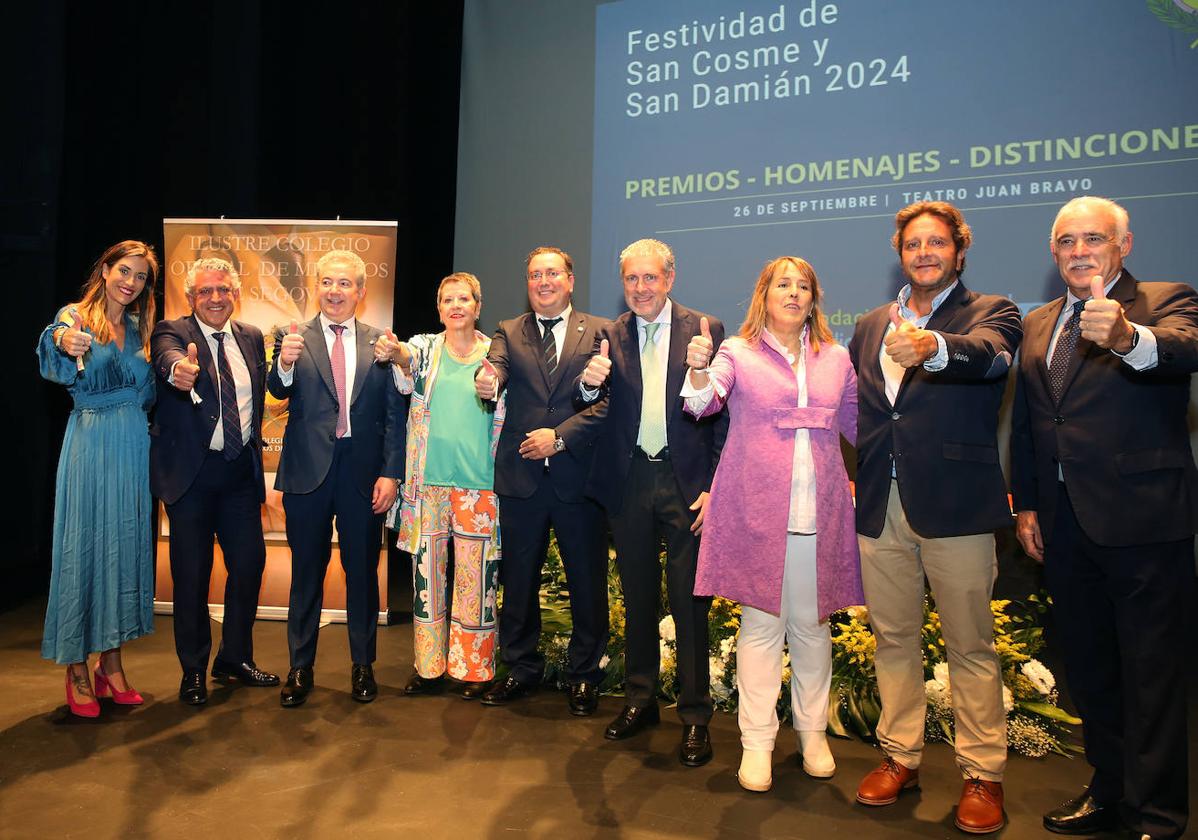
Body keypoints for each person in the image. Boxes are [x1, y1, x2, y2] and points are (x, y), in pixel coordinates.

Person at [1011, 196, 1198, 840]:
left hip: (1145, 523)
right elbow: (1036, 424)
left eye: (1094, 238)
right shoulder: (1038, 323)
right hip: (1064, 523)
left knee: (1152, 672)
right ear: (1054, 252)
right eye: (1066, 241)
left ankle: (1158, 811)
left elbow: (1183, 350)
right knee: (1089, 667)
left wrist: (1127, 338)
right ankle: (1111, 788)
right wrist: (1028, 502)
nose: (1079, 250)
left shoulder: (1167, 301)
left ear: (1126, 245)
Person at [847, 202, 1022, 834]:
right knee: (893, 639)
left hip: (956, 505)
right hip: (880, 504)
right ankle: (901, 756)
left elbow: (994, 358)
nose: (925, 253)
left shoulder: (992, 311)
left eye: (937, 243)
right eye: (914, 243)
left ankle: (982, 773)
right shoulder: (868, 325)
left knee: (970, 644)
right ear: (900, 252)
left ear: (959, 249)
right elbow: (870, 412)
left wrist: (935, 347)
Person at [682, 256, 860, 791]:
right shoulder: (736, 352)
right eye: (782, 284)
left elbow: (863, 425)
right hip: (757, 512)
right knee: (760, 631)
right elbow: (702, 401)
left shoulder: (836, 358)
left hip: (819, 512)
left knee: (813, 627)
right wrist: (696, 370)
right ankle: (756, 743)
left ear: (814, 298)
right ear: (764, 293)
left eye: (803, 286)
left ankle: (812, 734)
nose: (793, 293)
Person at [576, 238, 727, 767]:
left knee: (689, 605)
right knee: (638, 599)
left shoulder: (705, 330)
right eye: (631, 279)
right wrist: (589, 385)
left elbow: (722, 416)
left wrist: (713, 483)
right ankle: (640, 700)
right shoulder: (608, 335)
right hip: (630, 481)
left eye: (650, 278)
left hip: (686, 485)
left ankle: (694, 717)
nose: (640, 288)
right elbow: (592, 400)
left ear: (670, 277)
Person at [267, 249, 406, 707]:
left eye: (345, 283)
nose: (334, 291)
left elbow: (392, 415)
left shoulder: (381, 342)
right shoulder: (292, 338)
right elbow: (278, 390)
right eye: (327, 282)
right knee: (306, 574)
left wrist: (391, 473)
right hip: (308, 474)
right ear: (317, 288)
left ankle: (363, 666)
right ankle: (299, 668)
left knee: (362, 573)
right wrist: (284, 364)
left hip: (363, 476)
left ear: (361, 293)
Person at [474, 246, 609, 715]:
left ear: (570, 280)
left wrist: (561, 437)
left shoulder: (600, 332)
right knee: (519, 579)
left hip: (579, 477)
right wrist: (486, 381)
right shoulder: (509, 331)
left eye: (552, 273)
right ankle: (521, 668)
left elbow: (611, 403)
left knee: (586, 581)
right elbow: (495, 369)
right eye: (535, 275)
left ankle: (585, 675)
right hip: (523, 477)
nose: (543, 282)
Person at [37, 240, 159, 717]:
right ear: (105, 270)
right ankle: (76, 668)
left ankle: (112, 661)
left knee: (123, 550)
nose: (131, 283)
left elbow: (152, 393)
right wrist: (63, 342)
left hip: (134, 449)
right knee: (85, 550)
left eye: (141, 277)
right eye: (124, 271)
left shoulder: (141, 326)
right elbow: (54, 343)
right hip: (90, 445)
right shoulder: (76, 316)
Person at [150, 257, 279, 706]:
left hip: (239, 474)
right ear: (191, 298)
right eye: (205, 291)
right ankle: (193, 670)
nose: (216, 298)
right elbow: (167, 361)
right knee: (192, 576)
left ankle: (235, 657)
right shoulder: (172, 332)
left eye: (223, 289)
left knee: (249, 566)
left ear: (235, 293)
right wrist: (177, 371)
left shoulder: (251, 337)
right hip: (191, 475)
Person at [374, 272, 504, 700]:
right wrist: (395, 352)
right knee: (426, 582)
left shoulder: (495, 354)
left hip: (480, 488)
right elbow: (407, 360)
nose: (455, 306)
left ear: (477, 306)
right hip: (427, 486)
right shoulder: (428, 347)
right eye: (447, 299)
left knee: (476, 584)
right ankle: (428, 668)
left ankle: (472, 670)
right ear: (439, 308)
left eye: (464, 298)